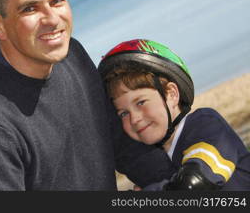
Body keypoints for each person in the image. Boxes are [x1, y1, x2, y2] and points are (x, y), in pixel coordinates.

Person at [0, 0, 175, 190]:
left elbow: (125, 146)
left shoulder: (72, 55)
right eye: (30, 8)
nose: (52, 19)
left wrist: (176, 186)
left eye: (57, 0)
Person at [98, 38, 250, 190]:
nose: (135, 119)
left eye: (141, 102)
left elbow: (193, 185)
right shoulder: (154, 163)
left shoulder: (205, 125)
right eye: (123, 113)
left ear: (171, 94)